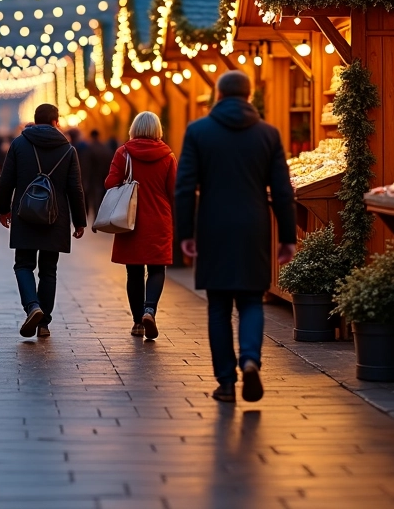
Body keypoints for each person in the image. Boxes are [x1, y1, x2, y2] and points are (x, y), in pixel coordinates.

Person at [174, 71, 296, 404]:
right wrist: (288, 235)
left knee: (218, 306)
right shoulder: (268, 134)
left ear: (217, 94)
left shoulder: (198, 132)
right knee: (252, 301)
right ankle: (251, 359)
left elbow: (185, 186)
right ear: (250, 95)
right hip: (254, 225)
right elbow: (282, 191)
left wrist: (184, 233)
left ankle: (226, 383)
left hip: (213, 225)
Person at [0, 103, 86, 339]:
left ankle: (32, 306)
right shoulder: (68, 149)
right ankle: (44, 323)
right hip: (55, 217)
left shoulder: (18, 144)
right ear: (57, 122)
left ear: (35, 121)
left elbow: (6, 180)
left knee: (23, 264)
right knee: (49, 270)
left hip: (24, 214)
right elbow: (75, 189)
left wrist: (3, 209)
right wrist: (80, 221)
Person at [102, 111, 174, 340]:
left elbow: (110, 183)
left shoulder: (124, 153)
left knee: (133, 271)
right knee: (157, 268)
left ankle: (137, 323)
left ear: (133, 128)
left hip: (129, 219)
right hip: (158, 218)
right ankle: (149, 310)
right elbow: (174, 191)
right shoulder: (168, 156)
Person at [83, 129, 113, 220]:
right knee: (100, 195)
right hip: (103, 175)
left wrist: (84, 179)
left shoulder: (89, 148)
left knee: (92, 196)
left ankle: (92, 215)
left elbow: (86, 165)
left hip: (92, 176)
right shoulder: (104, 148)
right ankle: (99, 214)